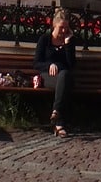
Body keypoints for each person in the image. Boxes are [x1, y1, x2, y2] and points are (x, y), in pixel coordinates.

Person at [33, 8, 76, 138]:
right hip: (48, 76)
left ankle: (56, 114)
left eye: (66, 28)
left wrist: (68, 45)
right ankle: (59, 121)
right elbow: (36, 63)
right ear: (54, 25)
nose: (64, 31)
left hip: (65, 77)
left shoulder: (69, 41)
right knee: (63, 80)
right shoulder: (45, 40)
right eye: (61, 27)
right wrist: (49, 65)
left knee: (64, 76)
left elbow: (71, 65)